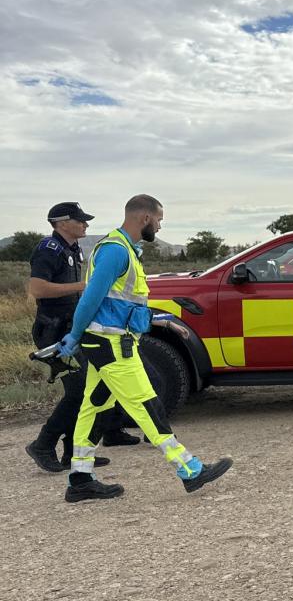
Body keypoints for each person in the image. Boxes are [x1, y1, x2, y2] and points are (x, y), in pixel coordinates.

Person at [57, 194, 232, 503]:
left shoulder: (125, 250)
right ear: (145, 218)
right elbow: (90, 298)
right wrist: (73, 334)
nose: (160, 226)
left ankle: (80, 479)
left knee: (93, 407)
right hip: (110, 345)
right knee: (146, 405)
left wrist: (163, 319)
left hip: (106, 342)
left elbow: (124, 303)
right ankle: (189, 469)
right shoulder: (115, 251)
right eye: (159, 220)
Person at [25, 202, 140, 474]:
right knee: (77, 391)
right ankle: (43, 444)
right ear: (62, 223)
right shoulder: (48, 250)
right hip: (53, 330)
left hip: (68, 329)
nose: (85, 224)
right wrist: (83, 286)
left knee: (85, 389)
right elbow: (37, 289)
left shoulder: (72, 249)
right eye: (80, 220)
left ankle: (71, 452)